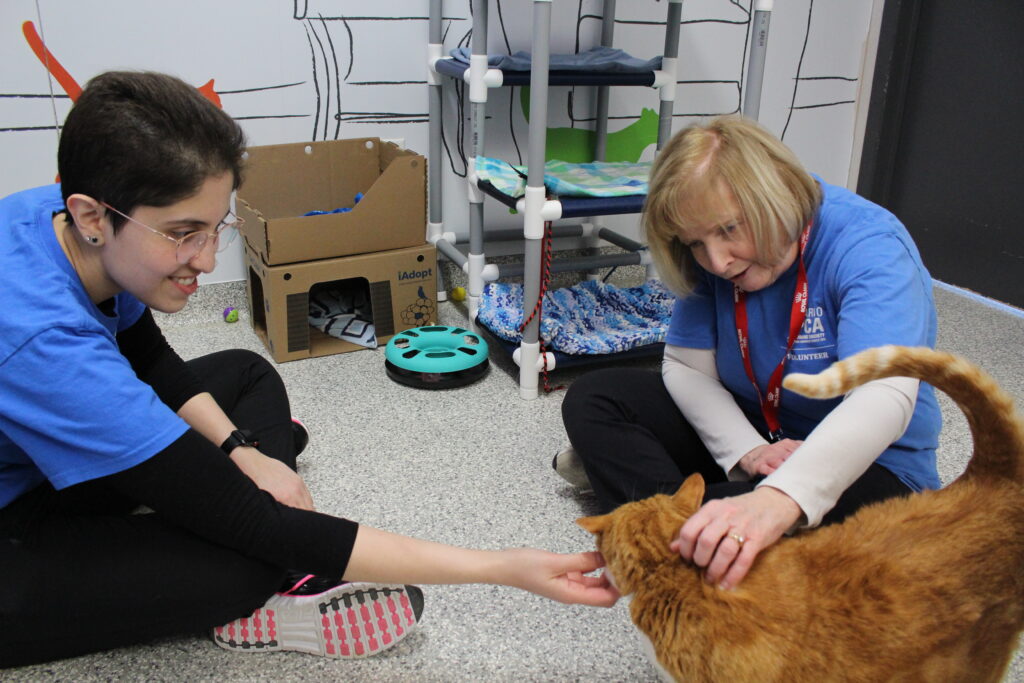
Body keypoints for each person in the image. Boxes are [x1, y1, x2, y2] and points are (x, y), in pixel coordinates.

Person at [0, 70, 618, 669]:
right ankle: (275, 593)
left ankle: (228, 502)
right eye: (183, 234)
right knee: (251, 555)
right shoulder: (42, 339)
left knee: (246, 374)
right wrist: (500, 567)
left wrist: (244, 452)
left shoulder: (58, 221)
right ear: (91, 216)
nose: (207, 260)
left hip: (46, 454)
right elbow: (252, 522)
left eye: (215, 229)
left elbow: (151, 359)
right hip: (17, 526)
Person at [558, 115, 941, 591]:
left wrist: (781, 498)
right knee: (595, 396)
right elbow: (684, 367)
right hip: (761, 431)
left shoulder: (870, 247)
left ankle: (646, 508)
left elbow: (884, 397)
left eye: (729, 230)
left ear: (775, 194)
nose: (717, 262)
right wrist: (749, 450)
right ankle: (687, 519)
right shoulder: (713, 254)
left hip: (872, 466)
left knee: (791, 543)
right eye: (696, 243)